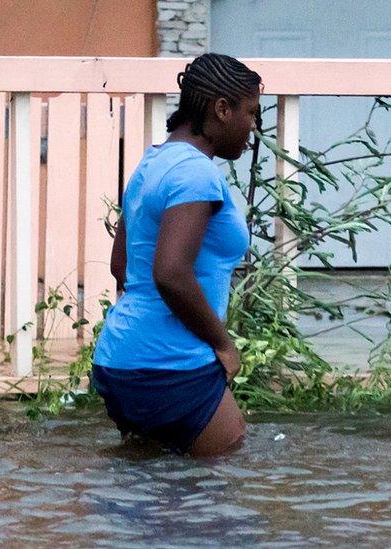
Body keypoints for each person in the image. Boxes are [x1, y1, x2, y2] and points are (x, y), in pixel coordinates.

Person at [91, 53, 261, 457]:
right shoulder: (196, 173)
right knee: (219, 490)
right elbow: (170, 273)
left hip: (119, 361)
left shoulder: (152, 163)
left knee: (149, 493)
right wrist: (224, 344)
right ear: (222, 109)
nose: (253, 127)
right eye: (250, 113)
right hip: (171, 365)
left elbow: (122, 267)